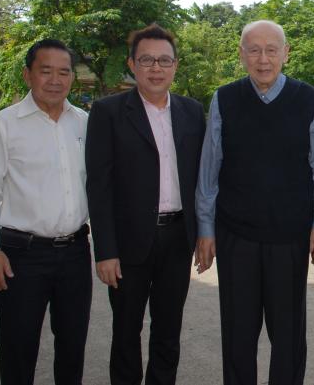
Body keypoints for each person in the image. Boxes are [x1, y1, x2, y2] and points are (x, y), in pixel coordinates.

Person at [194, 20, 314, 385]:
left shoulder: (306, 98)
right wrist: (205, 229)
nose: (263, 59)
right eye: (254, 50)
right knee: (237, 334)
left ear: (286, 53)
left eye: (272, 50)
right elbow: (209, 169)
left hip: (289, 236)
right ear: (241, 55)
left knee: (288, 336)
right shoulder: (225, 98)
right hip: (235, 235)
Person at [86, 24, 206, 384]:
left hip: (177, 238)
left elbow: (202, 178)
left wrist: (204, 233)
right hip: (128, 243)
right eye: (147, 60)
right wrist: (105, 251)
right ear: (132, 64)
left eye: (164, 60)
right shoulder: (108, 112)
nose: (156, 68)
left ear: (175, 65)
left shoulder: (191, 111)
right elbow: (99, 186)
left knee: (168, 330)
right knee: (126, 331)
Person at [0, 39, 91, 384]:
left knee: (72, 349)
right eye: (45, 71)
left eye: (63, 72)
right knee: (17, 350)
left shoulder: (83, 123)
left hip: (75, 254)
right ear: (28, 74)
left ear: (72, 78)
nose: (55, 80)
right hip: (20, 256)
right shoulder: (5, 123)